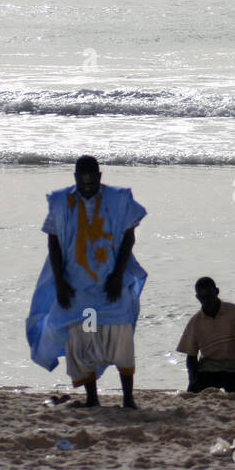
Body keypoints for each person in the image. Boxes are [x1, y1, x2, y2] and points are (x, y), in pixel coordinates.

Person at [26, 155, 147, 408]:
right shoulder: (61, 203)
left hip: (110, 285)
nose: (88, 187)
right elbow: (54, 243)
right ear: (75, 179)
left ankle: (128, 399)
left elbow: (128, 239)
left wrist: (117, 276)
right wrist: (60, 283)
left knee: (121, 336)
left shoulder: (118, 199)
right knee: (81, 340)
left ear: (100, 178)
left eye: (92, 183)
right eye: (83, 183)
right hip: (77, 287)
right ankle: (92, 398)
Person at [177, 277, 235, 395]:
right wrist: (192, 379)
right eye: (203, 297)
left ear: (217, 292)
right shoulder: (195, 322)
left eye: (209, 295)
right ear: (197, 298)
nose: (207, 300)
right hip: (209, 369)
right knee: (192, 394)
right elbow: (191, 356)